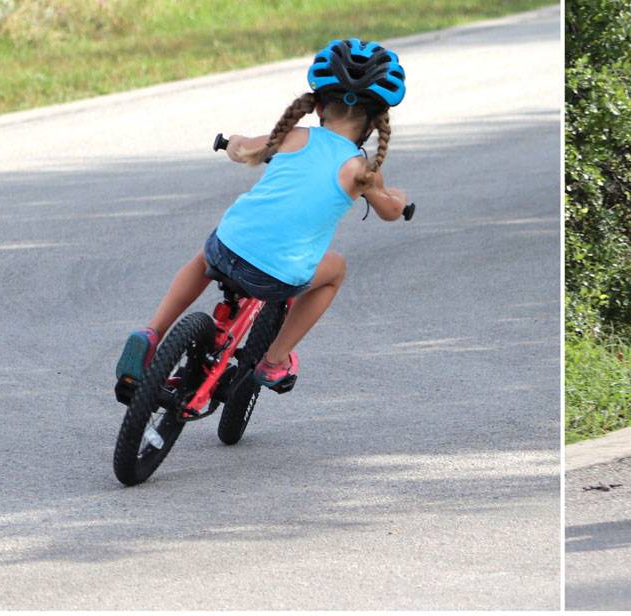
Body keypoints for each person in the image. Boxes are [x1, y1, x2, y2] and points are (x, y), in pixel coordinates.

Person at [115, 38, 410, 394]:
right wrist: (399, 198)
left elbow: (241, 149)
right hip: (278, 278)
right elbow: (392, 210)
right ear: (376, 122)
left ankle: (152, 332)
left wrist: (231, 141)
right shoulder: (361, 170)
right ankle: (275, 359)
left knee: (203, 258)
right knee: (335, 271)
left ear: (317, 107)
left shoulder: (293, 137)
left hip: (228, 247)